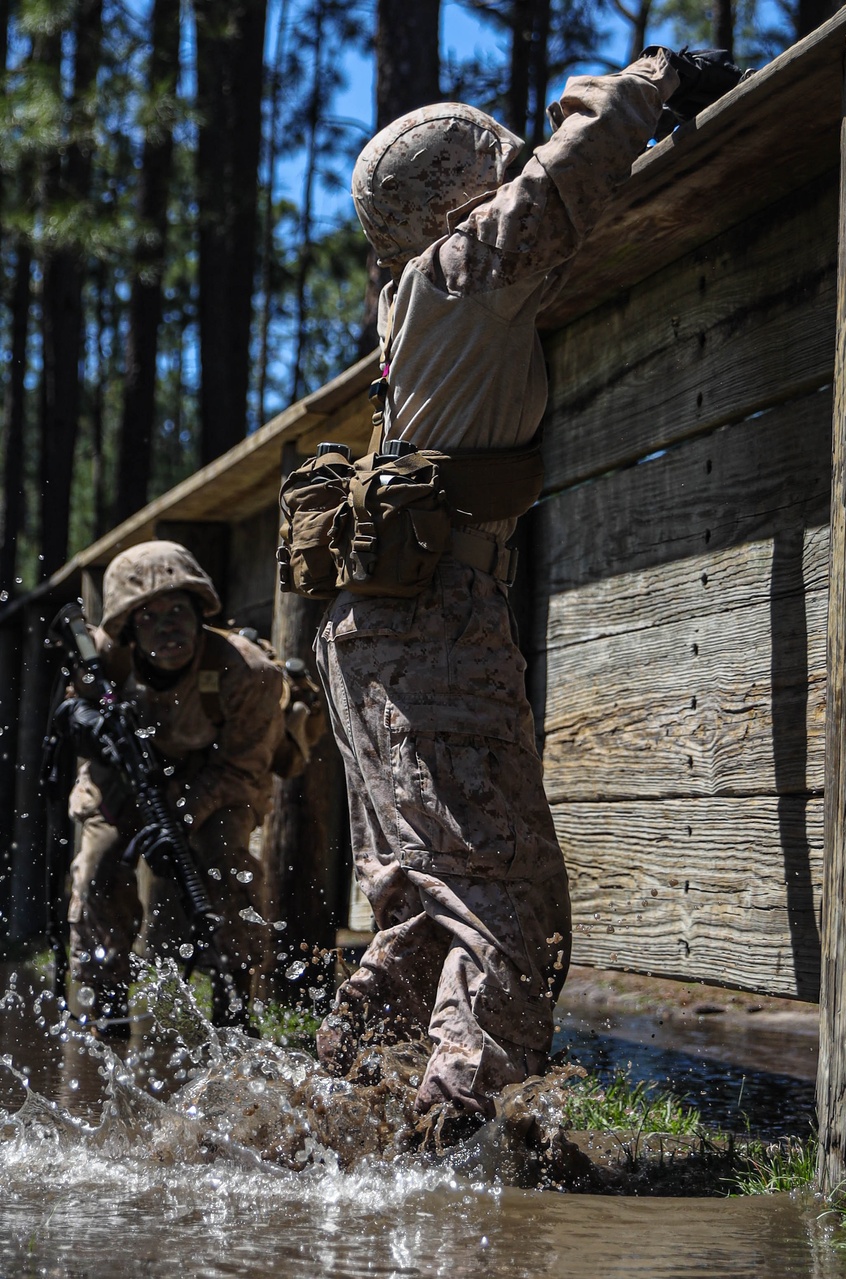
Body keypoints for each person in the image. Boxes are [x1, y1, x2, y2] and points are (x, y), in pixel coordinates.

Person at [313, 50, 684, 1120]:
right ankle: (455, 1151)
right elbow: (559, 189)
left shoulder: (410, 298)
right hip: (433, 622)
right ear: (458, 195)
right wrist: (649, 83)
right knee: (510, 906)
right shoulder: (463, 273)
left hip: (381, 628)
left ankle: (327, 1112)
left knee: (427, 906)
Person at [56, 540, 285, 1032]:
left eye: (178, 610)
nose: (167, 626)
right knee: (100, 867)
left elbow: (243, 770)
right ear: (128, 629)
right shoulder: (104, 661)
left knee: (227, 863)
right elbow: (71, 712)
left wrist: (180, 818)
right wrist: (90, 724)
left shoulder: (247, 672)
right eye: (148, 616)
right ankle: (106, 1006)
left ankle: (235, 1007)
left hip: (213, 779)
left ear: (199, 611)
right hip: (121, 776)